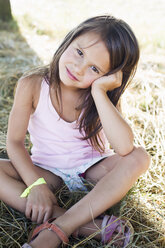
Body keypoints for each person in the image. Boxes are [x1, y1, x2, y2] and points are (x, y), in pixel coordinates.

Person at [0, 15, 150, 248]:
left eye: (94, 68)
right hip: (48, 172)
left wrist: (100, 93)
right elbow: (14, 142)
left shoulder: (101, 97)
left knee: (139, 157)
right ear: (70, 40)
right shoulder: (32, 84)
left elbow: (123, 148)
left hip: (92, 172)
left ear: (108, 77)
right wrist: (36, 184)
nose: (78, 69)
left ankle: (61, 227)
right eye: (79, 52)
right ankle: (86, 225)